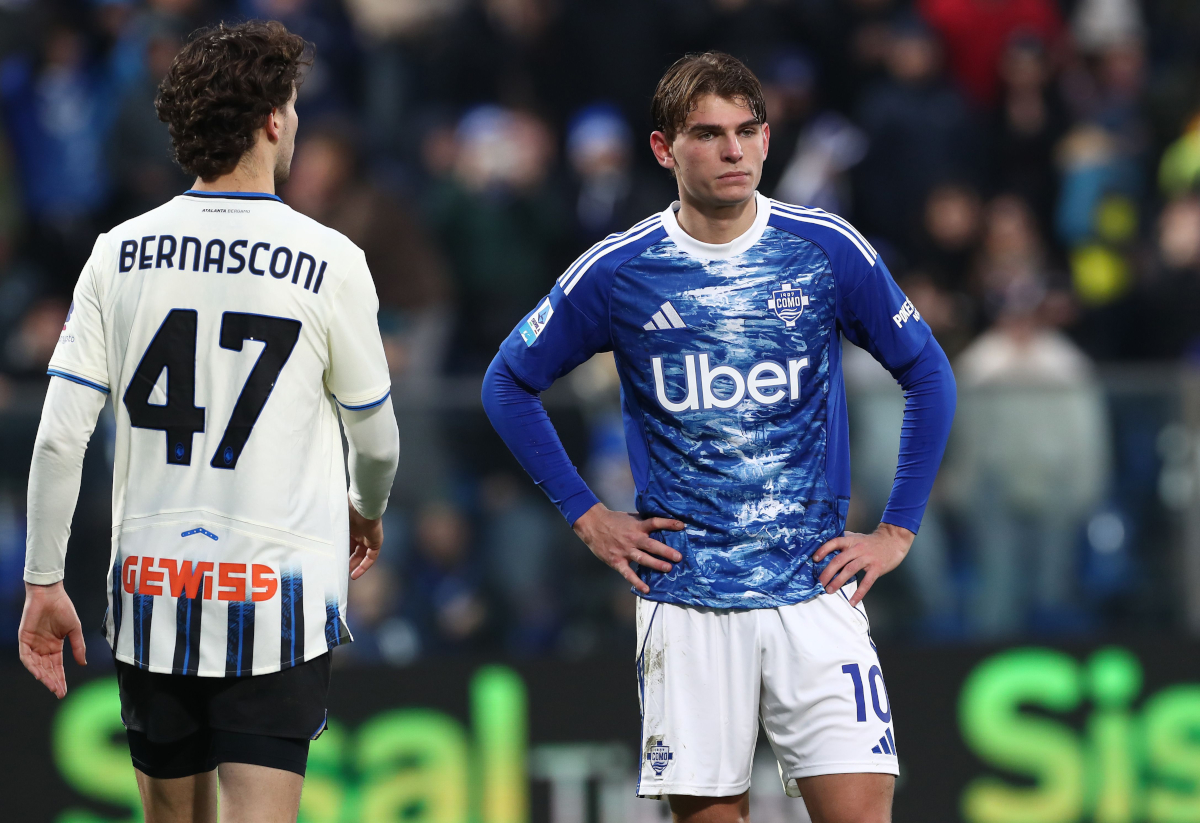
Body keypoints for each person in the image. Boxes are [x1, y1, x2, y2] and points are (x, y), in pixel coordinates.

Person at [482, 52, 956, 823]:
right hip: (688, 598)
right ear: (664, 149)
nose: (733, 150)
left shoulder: (824, 247)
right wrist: (586, 513)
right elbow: (506, 382)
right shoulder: (621, 269)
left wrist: (897, 528)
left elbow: (929, 372)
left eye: (746, 131)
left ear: (768, 140)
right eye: (707, 134)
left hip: (816, 589)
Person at [17, 21, 399, 823]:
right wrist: (366, 508)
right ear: (271, 120)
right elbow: (378, 436)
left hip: (155, 587)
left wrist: (43, 578)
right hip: (275, 591)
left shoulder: (116, 253)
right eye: (291, 106)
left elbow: (59, 436)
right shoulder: (329, 259)